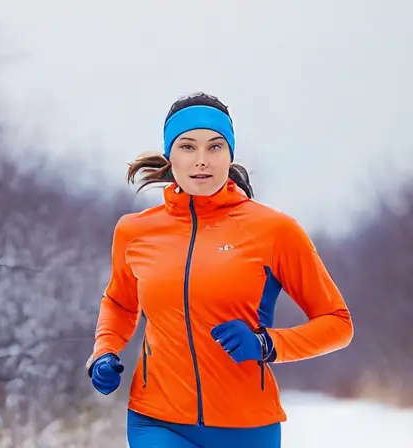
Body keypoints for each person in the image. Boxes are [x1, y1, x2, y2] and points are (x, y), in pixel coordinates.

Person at [86, 92, 354, 448]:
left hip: (247, 427)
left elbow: (338, 323)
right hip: (157, 419)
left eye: (214, 147)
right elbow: (120, 302)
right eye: (187, 147)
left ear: (230, 153)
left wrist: (266, 344)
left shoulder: (274, 231)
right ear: (170, 155)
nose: (201, 161)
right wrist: (104, 351)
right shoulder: (135, 231)